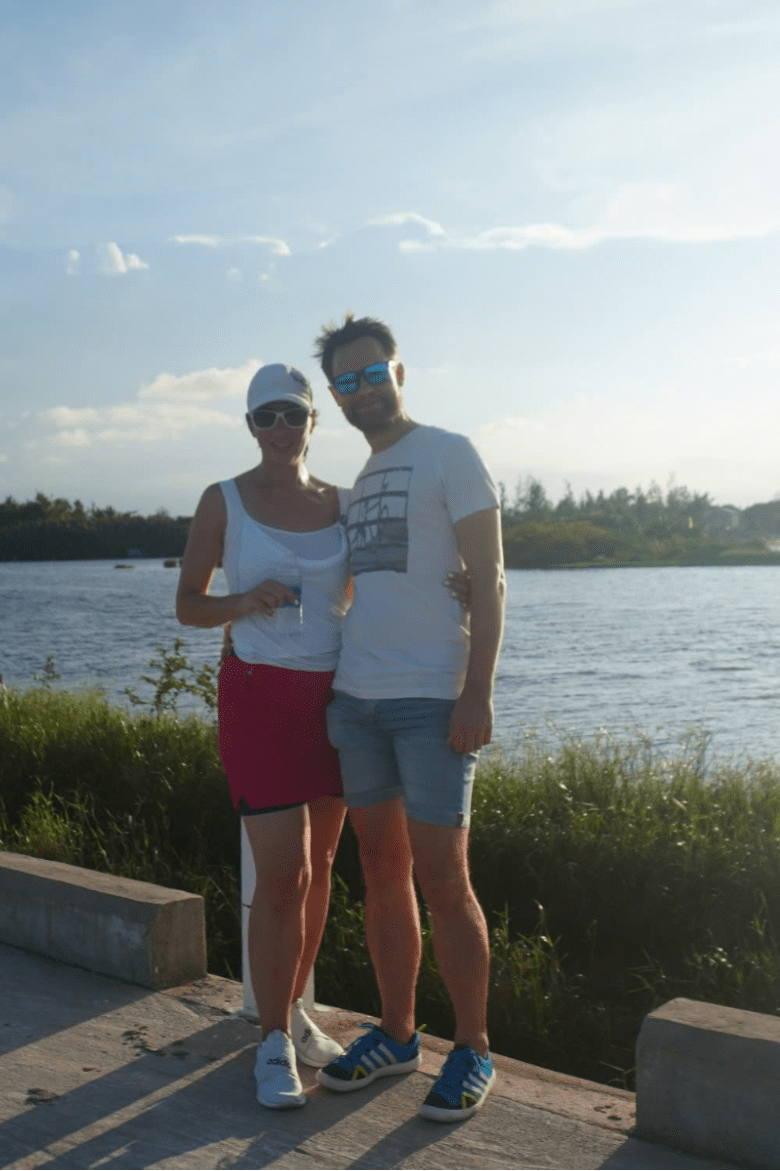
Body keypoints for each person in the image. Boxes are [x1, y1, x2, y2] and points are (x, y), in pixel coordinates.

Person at [312, 313, 506, 1123]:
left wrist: (476, 692)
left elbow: (489, 579)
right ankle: (396, 1037)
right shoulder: (357, 486)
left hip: (433, 701)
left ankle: (472, 1048)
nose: (361, 390)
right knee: (382, 873)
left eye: (371, 373)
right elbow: (357, 591)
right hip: (358, 701)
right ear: (335, 396)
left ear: (399, 371)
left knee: (443, 879)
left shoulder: (450, 452)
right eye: (345, 382)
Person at [173, 363, 352, 1111]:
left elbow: (368, 595)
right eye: (264, 417)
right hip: (257, 700)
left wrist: (460, 590)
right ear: (249, 426)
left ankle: (297, 1013)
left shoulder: (345, 504)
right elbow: (187, 606)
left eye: (292, 415)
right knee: (282, 878)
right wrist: (242, 602)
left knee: (317, 875)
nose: (279, 429)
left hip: (336, 703)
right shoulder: (224, 501)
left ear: (314, 422)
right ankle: (271, 1041)